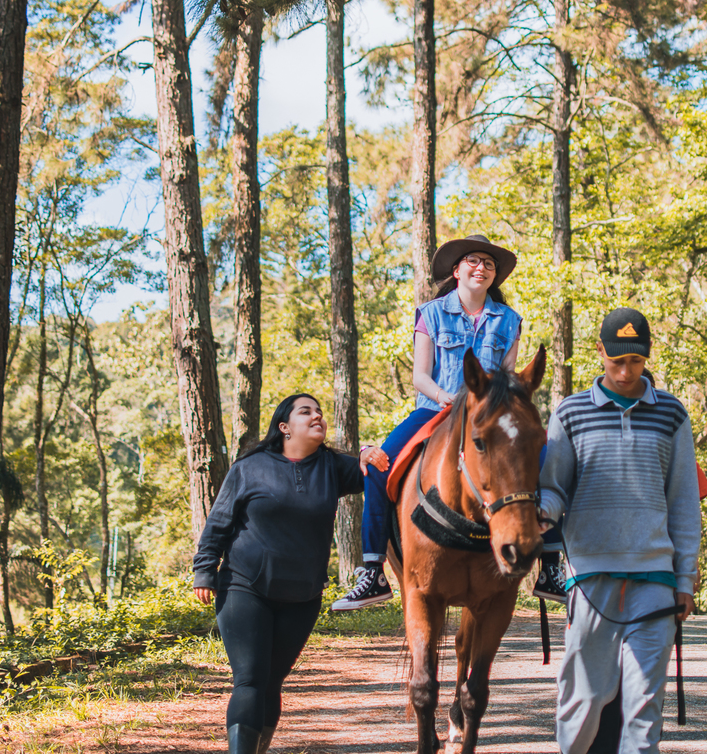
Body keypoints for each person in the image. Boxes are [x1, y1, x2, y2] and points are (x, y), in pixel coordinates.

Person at [331, 233, 567, 609]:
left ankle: (552, 566)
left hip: (489, 416)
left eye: (489, 264)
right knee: (378, 467)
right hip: (435, 409)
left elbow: (507, 379)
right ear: (457, 270)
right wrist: (447, 398)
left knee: (546, 462)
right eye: (473, 261)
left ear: (494, 276)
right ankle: (372, 571)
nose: (482, 267)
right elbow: (420, 376)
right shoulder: (431, 313)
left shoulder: (509, 320)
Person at [538, 308, 702, 754]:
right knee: (584, 701)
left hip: (656, 582)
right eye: (616, 362)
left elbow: (684, 501)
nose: (626, 372)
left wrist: (684, 578)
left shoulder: (671, 414)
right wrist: (537, 516)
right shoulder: (570, 412)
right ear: (600, 353)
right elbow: (554, 490)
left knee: (643, 706)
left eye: (635, 362)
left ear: (647, 356)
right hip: (591, 580)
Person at [192, 393, 389, 754]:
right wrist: (204, 570)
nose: (317, 416)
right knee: (250, 680)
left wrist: (367, 451)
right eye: (306, 412)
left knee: (271, 683)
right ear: (284, 427)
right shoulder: (250, 467)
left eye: (319, 412)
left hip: (303, 596)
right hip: (244, 586)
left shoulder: (331, 466)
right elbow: (218, 522)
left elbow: (372, 471)